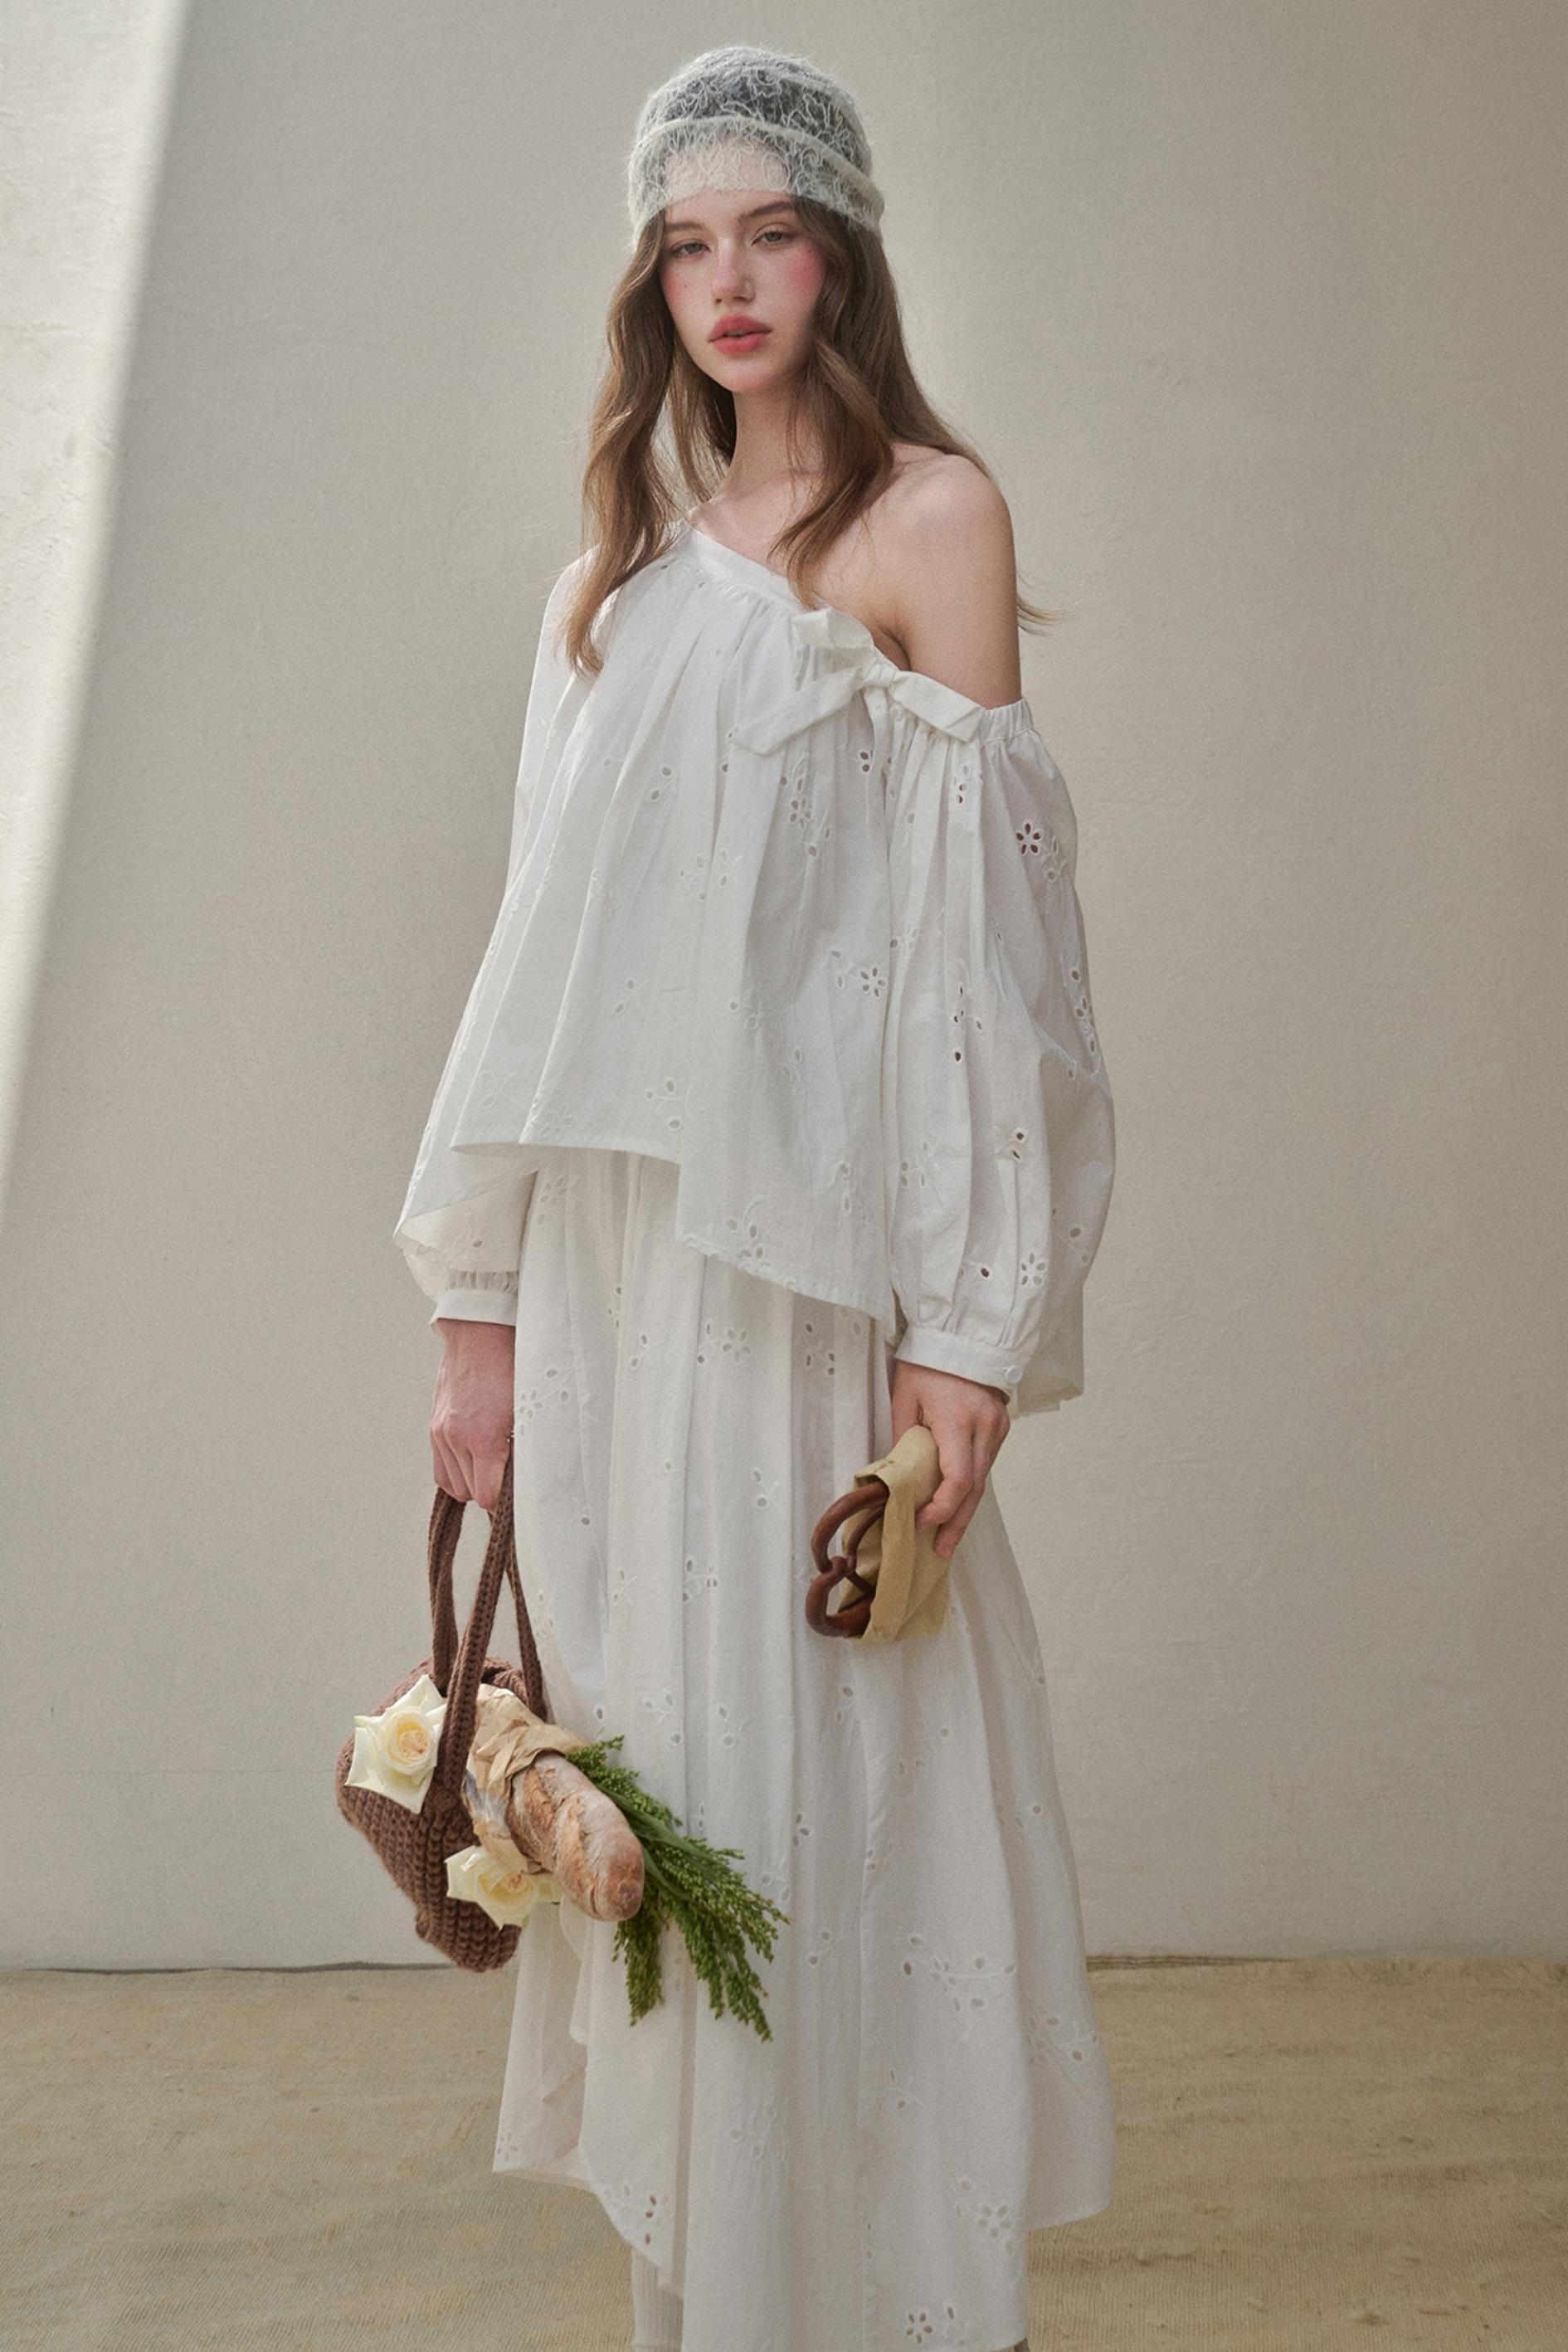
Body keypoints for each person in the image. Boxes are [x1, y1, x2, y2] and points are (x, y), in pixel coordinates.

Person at [394, 45, 1117, 2352]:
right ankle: (714, 2295)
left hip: (810, 1272)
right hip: (612, 1283)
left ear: (839, 252)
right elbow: (527, 975)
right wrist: (479, 1316)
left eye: (769, 233)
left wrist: (971, 1321)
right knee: (665, 1765)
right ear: (652, 280)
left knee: (846, 1756)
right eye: (687, 244)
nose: (729, 284)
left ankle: (891, 2293)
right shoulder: (605, 587)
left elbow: (992, 967)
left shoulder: (931, 524)